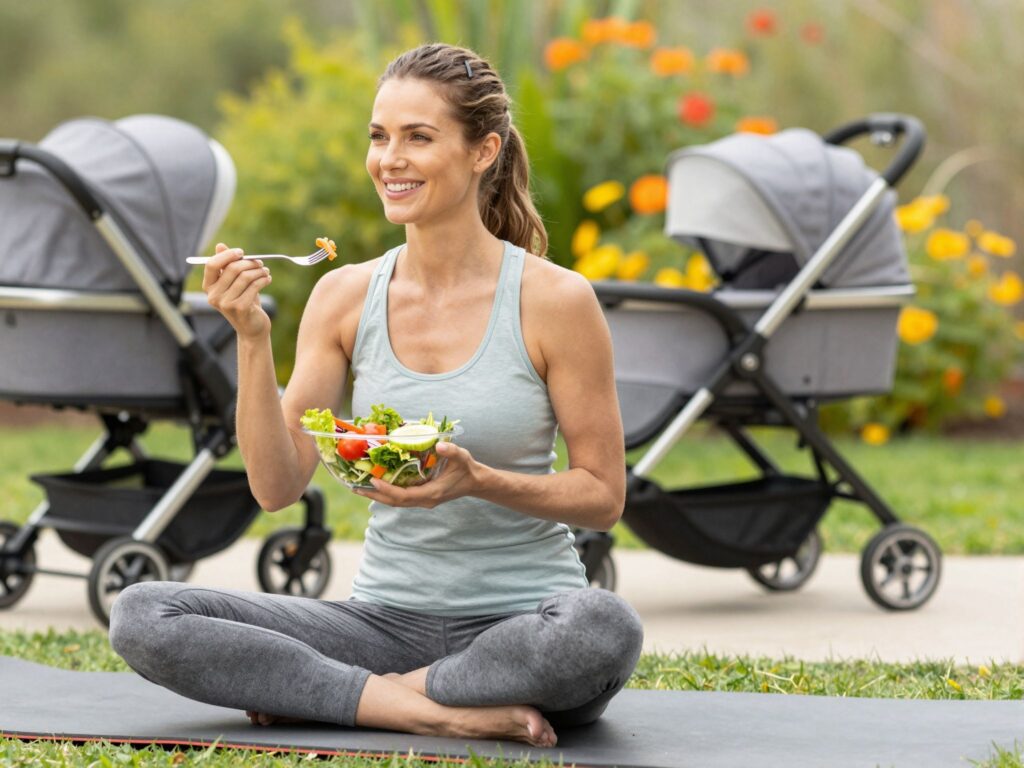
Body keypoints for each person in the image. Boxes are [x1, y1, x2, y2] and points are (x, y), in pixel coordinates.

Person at [108, 42, 642, 749]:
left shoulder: (556, 301)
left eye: (418, 137)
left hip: (522, 624)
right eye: (379, 136)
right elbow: (275, 486)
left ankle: (354, 697)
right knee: (143, 613)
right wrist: (250, 338)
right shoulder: (343, 295)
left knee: (602, 630)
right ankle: (425, 709)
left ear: (483, 152)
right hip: (381, 624)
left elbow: (602, 494)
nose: (390, 158)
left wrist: (477, 480)